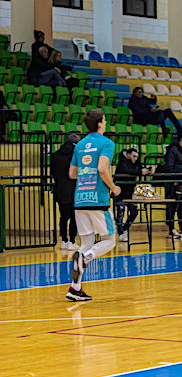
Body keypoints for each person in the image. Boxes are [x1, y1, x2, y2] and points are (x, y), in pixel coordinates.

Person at [66, 109, 122, 301]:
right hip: (98, 199)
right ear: (99, 124)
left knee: (87, 243)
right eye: (105, 120)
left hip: (80, 198)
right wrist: (113, 188)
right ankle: (86, 258)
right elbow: (102, 168)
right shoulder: (107, 143)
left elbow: (72, 174)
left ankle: (75, 288)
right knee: (110, 240)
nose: (105, 123)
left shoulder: (79, 145)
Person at [113, 147, 151, 243]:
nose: (135, 158)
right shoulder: (122, 162)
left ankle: (125, 229)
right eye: (133, 156)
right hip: (121, 192)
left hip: (130, 193)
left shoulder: (136, 162)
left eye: (136, 157)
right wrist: (139, 172)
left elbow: (139, 167)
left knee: (134, 211)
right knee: (120, 213)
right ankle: (121, 233)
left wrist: (145, 170)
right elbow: (125, 170)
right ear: (128, 155)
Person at [51, 133, 80, 251]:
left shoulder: (55, 155)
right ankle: (72, 241)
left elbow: (52, 172)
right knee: (74, 216)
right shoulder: (75, 155)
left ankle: (63, 240)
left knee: (63, 216)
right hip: (72, 189)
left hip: (59, 188)